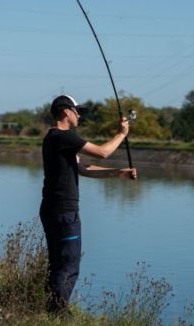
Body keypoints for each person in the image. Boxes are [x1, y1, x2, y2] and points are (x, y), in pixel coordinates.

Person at [39, 94, 137, 315]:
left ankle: (51, 311)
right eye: (77, 110)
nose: (79, 115)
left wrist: (118, 173)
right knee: (69, 265)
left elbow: (83, 169)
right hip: (65, 212)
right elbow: (103, 152)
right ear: (66, 111)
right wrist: (122, 134)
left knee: (57, 264)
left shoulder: (53, 138)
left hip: (52, 209)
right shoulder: (65, 137)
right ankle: (59, 313)